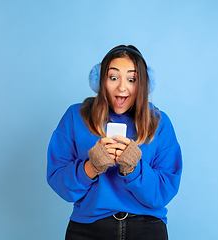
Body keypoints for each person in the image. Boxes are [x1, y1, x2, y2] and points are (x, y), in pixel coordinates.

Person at [47, 45, 182, 240]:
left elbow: (163, 192)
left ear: (143, 84)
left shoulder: (159, 122)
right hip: (88, 228)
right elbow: (60, 182)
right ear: (101, 81)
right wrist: (91, 167)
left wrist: (133, 169)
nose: (122, 87)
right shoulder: (75, 117)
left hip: (147, 228)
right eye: (113, 77)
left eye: (132, 79)